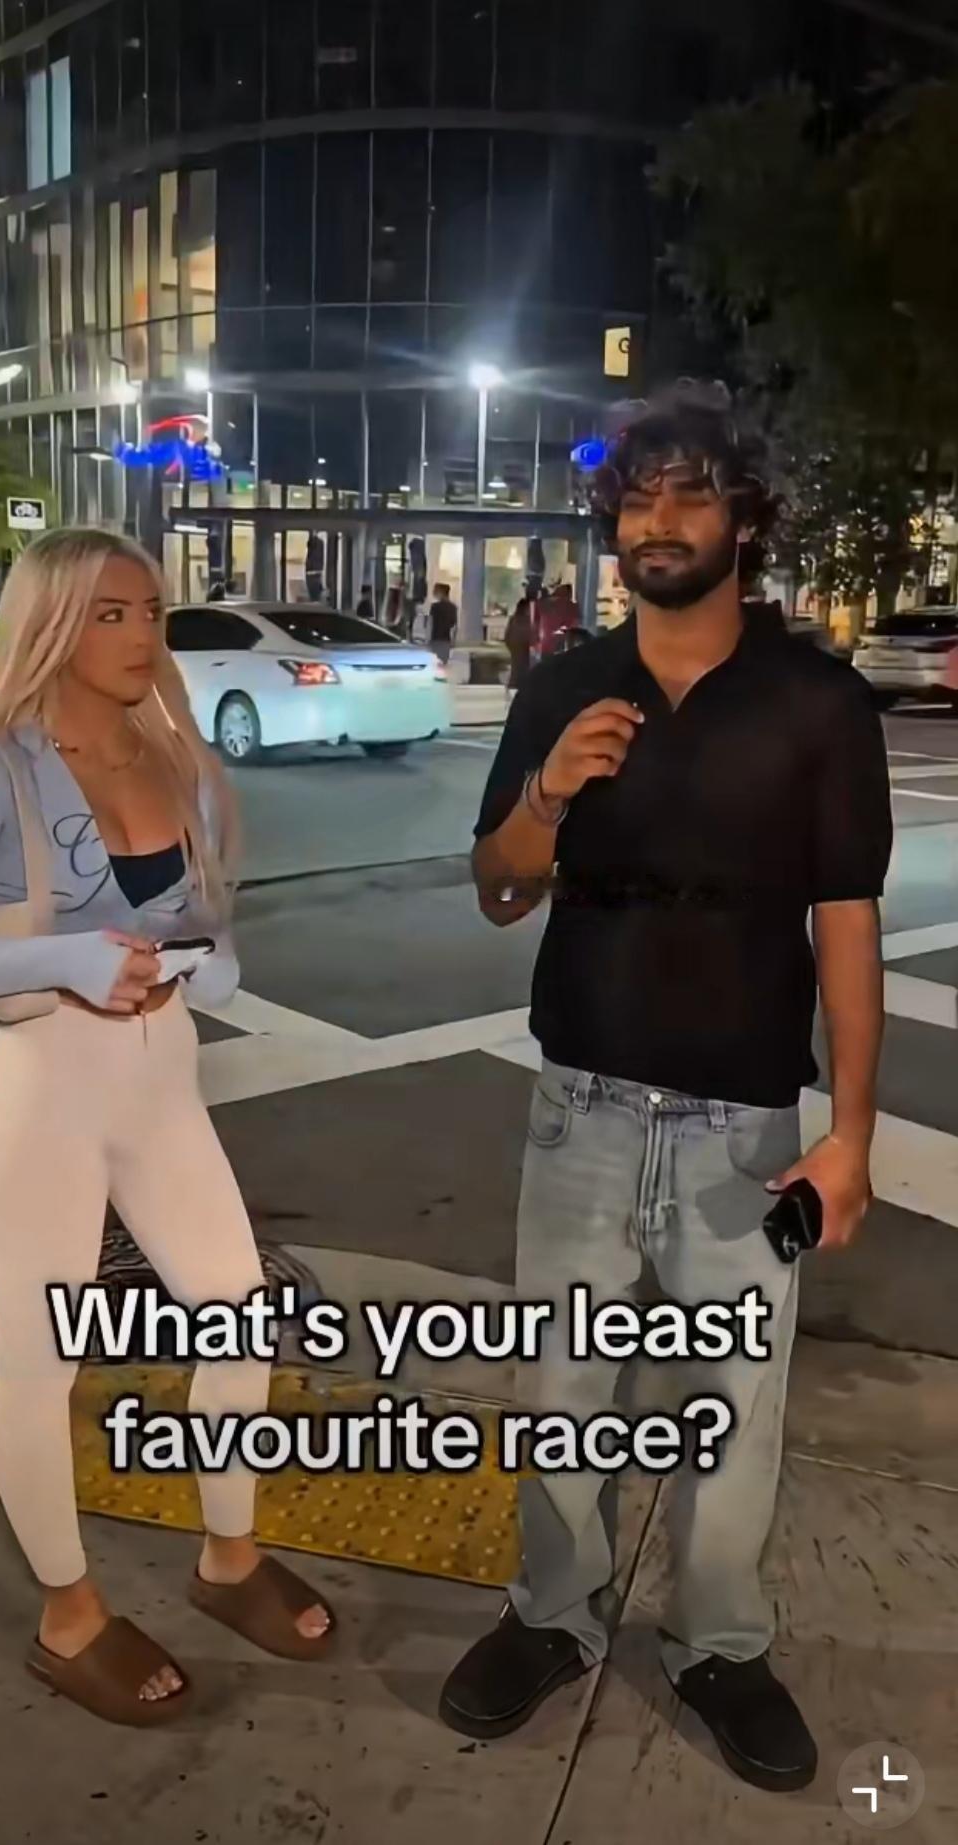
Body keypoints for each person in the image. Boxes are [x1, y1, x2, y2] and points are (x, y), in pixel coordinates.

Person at [439, 384, 893, 1792]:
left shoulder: (818, 702)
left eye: (691, 493)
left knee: (733, 1406)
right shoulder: (565, 687)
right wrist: (548, 796)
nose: (659, 519)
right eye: (639, 497)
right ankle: (552, 1615)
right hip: (579, 1101)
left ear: (745, 517)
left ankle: (719, 1646)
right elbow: (498, 887)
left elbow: (847, 923)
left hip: (743, 1128)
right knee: (561, 1387)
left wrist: (851, 1137)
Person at [0, 528, 334, 1727]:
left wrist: (213, 965)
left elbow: (201, 925)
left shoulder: (175, 756)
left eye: (151, 611)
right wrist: (67, 959)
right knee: (43, 1361)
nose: (141, 635)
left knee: (238, 1317)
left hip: (160, 1085)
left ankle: (228, 1558)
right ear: (50, 625)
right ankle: (69, 1616)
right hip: (41, 1095)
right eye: (109, 613)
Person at [504, 594, 534, 690]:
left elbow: (508, 633)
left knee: (516, 666)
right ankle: (519, 684)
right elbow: (529, 633)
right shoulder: (527, 620)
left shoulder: (514, 618)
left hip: (515, 645)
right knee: (522, 666)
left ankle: (514, 683)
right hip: (522, 645)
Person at [428, 581, 458, 665]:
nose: (433, 593)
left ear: (441, 592)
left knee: (435, 664)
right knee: (444, 663)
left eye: (435, 591)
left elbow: (430, 623)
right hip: (446, 640)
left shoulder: (435, 606)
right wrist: (453, 641)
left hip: (436, 639)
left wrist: (427, 639)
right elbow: (454, 625)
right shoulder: (453, 607)